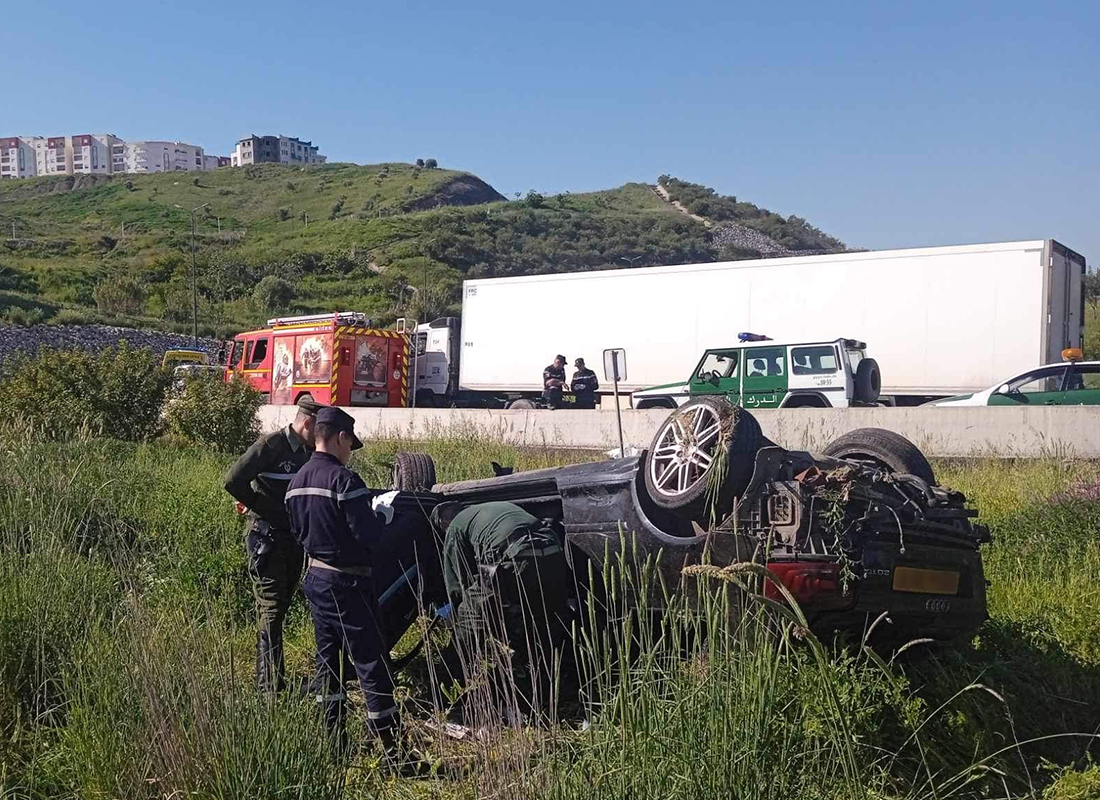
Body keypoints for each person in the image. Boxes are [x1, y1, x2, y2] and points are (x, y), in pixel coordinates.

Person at [284, 407, 405, 759]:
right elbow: (367, 535)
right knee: (370, 662)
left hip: (315, 580)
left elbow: (297, 532)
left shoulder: (296, 482)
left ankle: (334, 746)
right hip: (348, 585)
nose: (350, 451)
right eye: (350, 443)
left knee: (328, 663)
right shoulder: (345, 481)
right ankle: (393, 754)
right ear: (340, 437)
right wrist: (383, 517)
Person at [431, 500, 575, 724]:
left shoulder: (456, 527)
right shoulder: (490, 509)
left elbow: (458, 582)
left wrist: (455, 617)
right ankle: (555, 681)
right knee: (546, 623)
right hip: (553, 550)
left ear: (443, 523)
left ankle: (442, 695)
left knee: (469, 626)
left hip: (513, 556)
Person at [224, 397, 321, 693]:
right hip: (265, 537)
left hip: (292, 538)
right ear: (307, 423)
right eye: (318, 429)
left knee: (282, 605)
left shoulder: (308, 450)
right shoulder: (271, 445)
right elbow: (233, 481)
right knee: (270, 609)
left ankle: (275, 679)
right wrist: (260, 506)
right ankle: (268, 687)